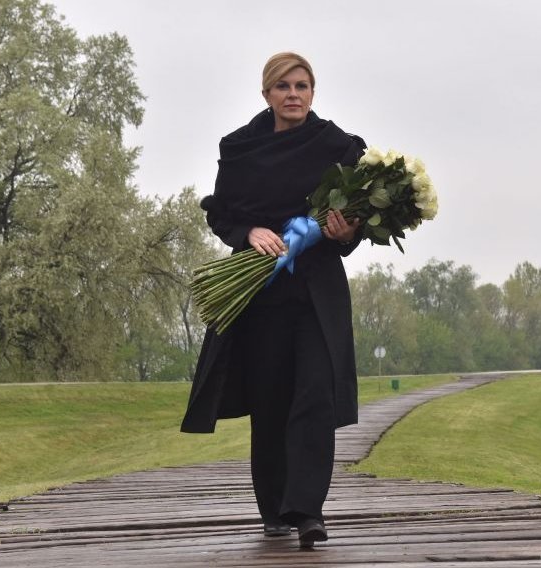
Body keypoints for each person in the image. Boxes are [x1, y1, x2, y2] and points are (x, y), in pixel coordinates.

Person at [180, 52, 365, 548]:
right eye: (283, 86)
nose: (293, 94)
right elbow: (220, 214)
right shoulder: (240, 148)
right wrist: (250, 231)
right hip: (261, 293)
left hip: (317, 291)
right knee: (271, 400)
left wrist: (346, 232)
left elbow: (355, 225)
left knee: (314, 395)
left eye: (302, 86)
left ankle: (308, 511)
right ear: (267, 94)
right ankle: (274, 509)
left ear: (312, 92)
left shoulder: (337, 146)